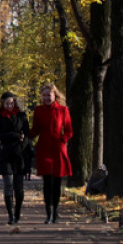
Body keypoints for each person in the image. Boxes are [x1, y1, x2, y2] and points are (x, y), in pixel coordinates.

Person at [29, 83, 73, 224]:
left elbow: (69, 130)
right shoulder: (39, 110)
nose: (47, 97)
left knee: (57, 183)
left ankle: (56, 212)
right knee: (47, 182)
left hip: (58, 149)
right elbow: (35, 130)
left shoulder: (63, 110)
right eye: (44, 95)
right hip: (44, 148)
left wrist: (63, 139)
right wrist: (24, 135)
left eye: (49, 95)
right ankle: (49, 214)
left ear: (55, 95)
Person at [0, 91, 30, 224]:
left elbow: (27, 134)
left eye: (11, 103)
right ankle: (11, 214)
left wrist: (23, 144)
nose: (9, 105)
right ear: (2, 103)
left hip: (19, 154)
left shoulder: (21, 116)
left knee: (19, 187)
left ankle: (18, 211)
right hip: (6, 154)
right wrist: (15, 135)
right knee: (8, 184)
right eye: (7, 103)